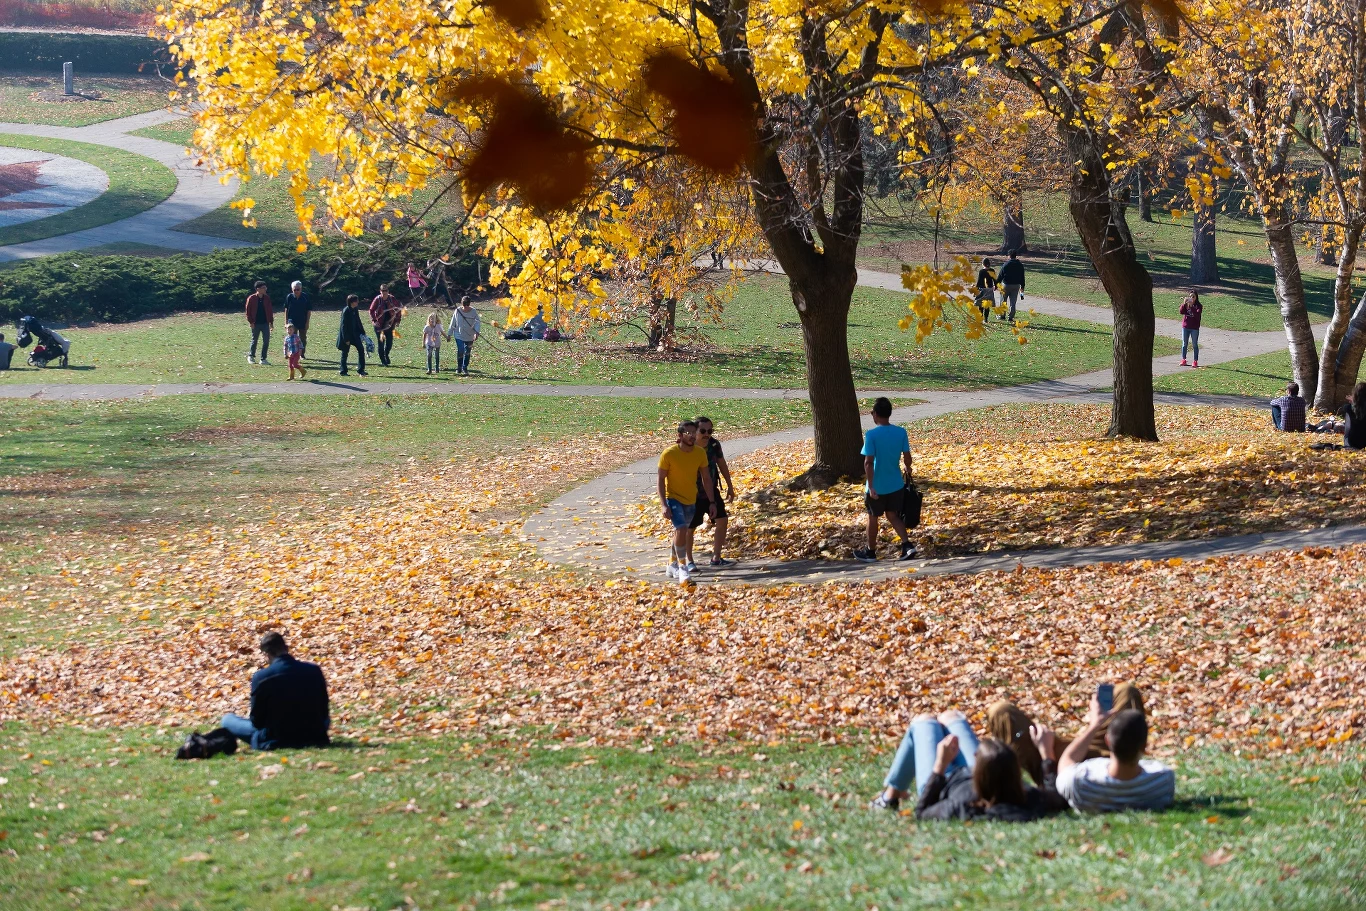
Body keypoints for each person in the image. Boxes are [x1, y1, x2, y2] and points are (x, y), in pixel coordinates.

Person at [988, 684, 1174, 813]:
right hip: (1109, 756)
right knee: (1126, 692)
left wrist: (1094, 724)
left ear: (1109, 740)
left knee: (1001, 712)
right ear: (1143, 745)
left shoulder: (1075, 783)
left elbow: (1064, 765)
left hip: (1057, 760)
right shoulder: (1163, 781)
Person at [870, 710, 1068, 822]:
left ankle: (890, 796)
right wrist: (1046, 752)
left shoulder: (962, 805)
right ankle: (891, 794)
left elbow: (922, 812)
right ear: (1015, 773)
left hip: (944, 781)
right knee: (951, 717)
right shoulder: (1030, 797)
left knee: (924, 722)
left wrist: (939, 765)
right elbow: (1056, 793)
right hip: (976, 771)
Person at [221, 632, 330, 751]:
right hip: (313, 733)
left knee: (227, 719)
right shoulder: (314, 670)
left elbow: (257, 721)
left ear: (267, 654)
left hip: (276, 737)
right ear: (286, 648)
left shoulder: (262, 677)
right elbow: (324, 711)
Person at [854, 397, 916, 562]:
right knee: (893, 515)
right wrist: (908, 468)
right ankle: (907, 545)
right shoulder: (901, 432)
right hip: (896, 484)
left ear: (875, 414)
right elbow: (907, 457)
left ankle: (870, 552)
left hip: (877, 486)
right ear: (889, 413)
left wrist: (871, 486)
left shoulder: (871, 435)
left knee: (873, 517)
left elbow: (868, 463)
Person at [657, 420, 717, 584]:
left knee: (680, 532)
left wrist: (712, 502)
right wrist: (663, 504)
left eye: (693, 432)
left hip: (691, 499)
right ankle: (683, 569)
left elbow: (706, 478)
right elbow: (661, 480)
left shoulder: (700, 453)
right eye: (688, 433)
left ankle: (671, 564)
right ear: (680, 435)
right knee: (682, 528)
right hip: (673, 498)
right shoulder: (669, 454)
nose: (691, 436)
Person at [687, 416, 737, 568]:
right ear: (695, 431)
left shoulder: (714, 445)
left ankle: (716, 558)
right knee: (689, 527)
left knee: (722, 520)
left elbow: (722, 463)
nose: (706, 434)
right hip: (691, 493)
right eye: (703, 431)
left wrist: (730, 485)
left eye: (710, 430)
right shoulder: (688, 447)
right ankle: (689, 561)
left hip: (710, 490)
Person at [447, 296, 481, 376]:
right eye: (464, 305)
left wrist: (476, 332)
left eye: (467, 305)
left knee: (467, 352)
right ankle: (459, 367)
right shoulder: (458, 311)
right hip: (459, 335)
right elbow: (453, 322)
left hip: (470, 335)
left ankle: (465, 367)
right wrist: (449, 334)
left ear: (469, 304)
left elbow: (477, 322)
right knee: (461, 351)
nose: (465, 307)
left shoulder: (473, 311)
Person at [369, 284, 401, 366]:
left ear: (388, 291)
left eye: (386, 290)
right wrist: (374, 321)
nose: (384, 292)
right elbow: (371, 310)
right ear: (380, 291)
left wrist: (397, 320)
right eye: (383, 291)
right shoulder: (377, 299)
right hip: (379, 325)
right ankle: (383, 361)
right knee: (381, 343)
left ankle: (386, 355)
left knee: (389, 343)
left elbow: (398, 309)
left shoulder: (391, 298)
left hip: (389, 324)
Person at [336, 294, 369, 377]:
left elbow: (358, 320)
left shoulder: (355, 309)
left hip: (355, 334)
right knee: (345, 353)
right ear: (352, 302)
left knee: (361, 350)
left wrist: (362, 332)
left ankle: (361, 370)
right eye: (356, 301)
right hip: (347, 335)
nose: (358, 302)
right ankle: (343, 371)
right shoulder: (346, 311)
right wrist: (346, 339)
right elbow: (343, 326)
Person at [245, 280, 274, 365]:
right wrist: (251, 322)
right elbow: (248, 311)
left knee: (266, 341)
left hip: (265, 323)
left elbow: (270, 311)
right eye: (263, 288)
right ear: (258, 289)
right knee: (255, 340)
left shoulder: (267, 298)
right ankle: (251, 356)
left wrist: (271, 322)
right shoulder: (251, 298)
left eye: (265, 287)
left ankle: (263, 359)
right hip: (255, 323)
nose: (265, 289)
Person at [283, 280, 312, 356]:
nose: (296, 291)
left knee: (302, 339)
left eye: (297, 289)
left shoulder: (305, 297)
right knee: (292, 339)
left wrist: (307, 322)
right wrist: (286, 322)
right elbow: (286, 309)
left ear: (301, 289)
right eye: (294, 290)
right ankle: (293, 354)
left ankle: (302, 354)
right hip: (292, 322)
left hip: (303, 321)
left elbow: (309, 310)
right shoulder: (289, 297)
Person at [998, 249, 1026, 322]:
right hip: (1016, 285)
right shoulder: (1020, 265)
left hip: (1006, 285)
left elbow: (1000, 275)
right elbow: (1022, 277)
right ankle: (1011, 317)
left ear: (1009, 256)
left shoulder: (1006, 264)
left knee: (1003, 300)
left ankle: (1002, 315)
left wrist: (996, 284)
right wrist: (1022, 287)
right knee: (1013, 302)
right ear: (1015, 256)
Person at [1179, 291, 1202, 367]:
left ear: (1196, 298)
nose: (1191, 298)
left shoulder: (1198, 306)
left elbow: (1197, 315)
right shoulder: (1186, 305)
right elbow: (1181, 312)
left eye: (1193, 297)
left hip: (1194, 328)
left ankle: (1195, 361)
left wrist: (1192, 307)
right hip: (1186, 327)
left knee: (1194, 344)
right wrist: (1184, 304)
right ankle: (1183, 359)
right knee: (1184, 344)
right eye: (1190, 296)